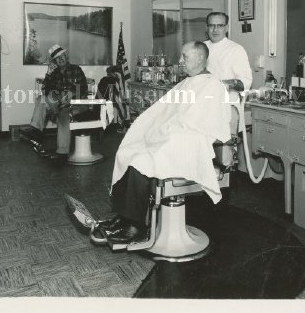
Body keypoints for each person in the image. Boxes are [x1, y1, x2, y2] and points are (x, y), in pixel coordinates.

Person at [93, 41, 231, 244]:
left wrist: (168, 131)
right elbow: (164, 112)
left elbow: (207, 123)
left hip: (191, 145)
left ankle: (136, 226)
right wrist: (150, 126)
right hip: (174, 138)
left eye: (185, 56)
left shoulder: (212, 85)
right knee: (128, 152)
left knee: (142, 161)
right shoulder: (187, 82)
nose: (180, 61)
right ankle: (123, 218)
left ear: (200, 58)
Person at [20, 44, 88, 164]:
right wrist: (48, 74)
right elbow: (45, 91)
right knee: (41, 98)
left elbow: (83, 87)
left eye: (62, 55)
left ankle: (62, 154)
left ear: (66, 56)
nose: (61, 58)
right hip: (57, 103)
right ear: (55, 61)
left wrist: (72, 93)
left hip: (75, 103)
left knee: (63, 118)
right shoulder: (54, 73)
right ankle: (36, 131)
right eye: (57, 58)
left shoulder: (76, 69)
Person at [203, 12, 253, 94]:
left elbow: (245, 83)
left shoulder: (236, 50)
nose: (215, 30)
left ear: (226, 28)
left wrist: (218, 84)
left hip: (226, 101)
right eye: (211, 25)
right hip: (203, 98)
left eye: (220, 26)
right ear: (206, 28)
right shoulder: (201, 47)